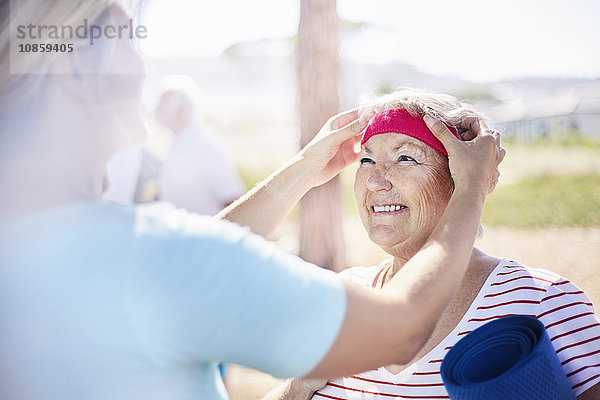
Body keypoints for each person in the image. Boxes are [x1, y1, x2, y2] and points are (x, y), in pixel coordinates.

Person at [0, 1, 503, 399]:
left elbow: (183, 269)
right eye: (129, 37)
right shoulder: (153, 254)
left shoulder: (28, 247)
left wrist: (305, 169)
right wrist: (471, 190)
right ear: (74, 69)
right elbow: (400, 327)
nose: (145, 60)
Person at [262, 89, 600, 400]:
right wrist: (300, 383)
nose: (377, 181)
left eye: (405, 158)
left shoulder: (541, 300)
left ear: (462, 176)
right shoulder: (339, 298)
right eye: (366, 160)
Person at [155, 77, 244, 215]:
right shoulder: (176, 144)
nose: (156, 110)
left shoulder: (205, 143)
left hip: (206, 231)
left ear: (179, 109)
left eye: (161, 104)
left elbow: (231, 197)